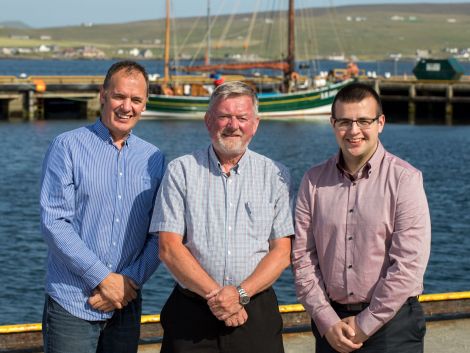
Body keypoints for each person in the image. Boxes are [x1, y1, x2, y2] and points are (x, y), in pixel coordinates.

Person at [150, 81, 294, 353]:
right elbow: (169, 248)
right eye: (224, 116)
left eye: (242, 118)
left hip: (254, 313)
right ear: (208, 121)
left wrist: (239, 294)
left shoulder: (276, 175)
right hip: (191, 315)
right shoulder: (180, 171)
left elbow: (282, 252)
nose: (233, 125)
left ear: (256, 124)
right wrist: (219, 298)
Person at [292, 82, 431, 353]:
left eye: (363, 121)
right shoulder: (313, 181)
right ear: (333, 124)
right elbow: (302, 258)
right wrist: (325, 319)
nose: (354, 131)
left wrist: (365, 324)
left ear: (380, 122)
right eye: (345, 122)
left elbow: (409, 264)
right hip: (331, 326)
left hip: (394, 325)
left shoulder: (405, 180)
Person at [40, 60, 165, 353]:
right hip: (72, 303)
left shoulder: (155, 158)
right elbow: (55, 222)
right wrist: (103, 279)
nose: (127, 107)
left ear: (145, 104)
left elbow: (160, 232)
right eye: (120, 96)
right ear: (103, 95)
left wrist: (127, 283)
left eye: (136, 100)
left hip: (126, 303)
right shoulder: (67, 146)